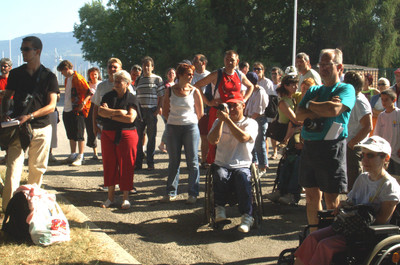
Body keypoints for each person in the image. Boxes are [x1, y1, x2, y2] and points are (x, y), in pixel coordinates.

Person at [294, 136, 400, 265]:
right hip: (348, 225)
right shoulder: (363, 178)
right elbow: (351, 201)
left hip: (365, 233)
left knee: (325, 245)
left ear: (386, 158)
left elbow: (382, 220)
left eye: (370, 156)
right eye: (363, 155)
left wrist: (356, 215)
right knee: (312, 237)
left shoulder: (389, 185)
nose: (365, 160)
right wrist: (344, 206)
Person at [296, 48, 356, 231]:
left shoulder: (346, 88)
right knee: (311, 195)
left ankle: (332, 235)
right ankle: (314, 235)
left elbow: (334, 111)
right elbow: (299, 114)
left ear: (339, 66)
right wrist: (323, 105)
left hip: (332, 148)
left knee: (332, 198)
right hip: (310, 147)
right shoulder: (314, 88)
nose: (322, 68)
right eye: (320, 64)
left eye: (326, 64)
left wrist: (310, 104)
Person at [1, 36, 59, 211]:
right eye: (22, 49)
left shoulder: (49, 76)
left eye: (26, 49)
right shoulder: (16, 73)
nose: (23, 52)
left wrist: (31, 116)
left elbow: (52, 105)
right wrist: (4, 114)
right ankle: (8, 211)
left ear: (37, 51)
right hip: (18, 127)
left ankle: (30, 210)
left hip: (41, 127)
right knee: (12, 170)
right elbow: (7, 95)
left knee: (37, 170)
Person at [208, 96, 258, 233]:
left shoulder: (251, 123)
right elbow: (212, 140)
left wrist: (227, 120)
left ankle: (247, 216)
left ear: (243, 105)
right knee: (220, 175)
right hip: (222, 162)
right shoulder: (220, 121)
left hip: (242, 164)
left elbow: (243, 138)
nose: (231, 109)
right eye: (229, 106)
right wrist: (220, 122)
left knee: (242, 177)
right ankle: (219, 209)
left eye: (235, 105)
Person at [194, 50, 254, 164]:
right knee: (214, 141)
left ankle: (233, 163)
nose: (229, 62)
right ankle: (214, 164)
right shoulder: (217, 74)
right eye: (227, 59)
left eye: (232, 60)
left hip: (235, 112)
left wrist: (244, 99)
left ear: (237, 61)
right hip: (218, 111)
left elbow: (250, 86)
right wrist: (208, 102)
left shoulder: (239, 75)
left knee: (233, 139)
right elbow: (197, 86)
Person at [161, 63, 203, 203]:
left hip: (190, 127)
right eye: (188, 74)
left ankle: (193, 193)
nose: (191, 76)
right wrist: (174, 121)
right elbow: (165, 110)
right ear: (180, 75)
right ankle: (171, 191)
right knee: (174, 161)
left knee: (193, 161)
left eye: (192, 74)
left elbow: (200, 112)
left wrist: (189, 121)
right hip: (173, 127)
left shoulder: (195, 91)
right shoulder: (170, 91)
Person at [98, 70, 140, 209]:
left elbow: (130, 118)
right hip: (108, 134)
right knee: (109, 164)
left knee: (126, 165)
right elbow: (100, 112)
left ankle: (125, 198)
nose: (115, 83)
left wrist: (109, 114)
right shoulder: (108, 96)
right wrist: (119, 113)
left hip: (127, 135)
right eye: (115, 80)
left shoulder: (131, 98)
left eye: (119, 81)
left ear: (127, 84)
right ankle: (110, 198)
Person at [57, 60, 92, 166]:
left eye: (62, 71)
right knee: (71, 133)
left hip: (77, 110)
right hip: (67, 109)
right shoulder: (68, 79)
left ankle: (80, 155)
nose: (62, 74)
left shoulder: (78, 78)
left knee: (79, 133)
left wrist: (83, 103)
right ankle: (73, 154)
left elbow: (89, 92)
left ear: (66, 69)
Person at [134, 56, 164, 171]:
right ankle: (138, 162)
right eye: (144, 65)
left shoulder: (157, 79)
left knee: (151, 138)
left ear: (152, 67)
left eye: (148, 65)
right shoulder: (138, 80)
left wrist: (158, 109)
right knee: (138, 138)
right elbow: (135, 96)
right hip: (139, 111)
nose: (146, 67)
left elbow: (161, 96)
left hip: (151, 110)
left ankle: (150, 163)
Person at [343, 71, 372, 190]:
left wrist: (352, 143)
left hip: (355, 148)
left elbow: (368, 126)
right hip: (349, 144)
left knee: (354, 182)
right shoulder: (352, 98)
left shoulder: (360, 101)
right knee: (348, 181)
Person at [244, 71, 269, 176]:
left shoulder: (260, 92)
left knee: (259, 144)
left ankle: (263, 166)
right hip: (251, 119)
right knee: (252, 143)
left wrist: (248, 120)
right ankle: (254, 164)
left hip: (259, 120)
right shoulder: (252, 91)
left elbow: (257, 111)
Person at [374, 89, 400, 175]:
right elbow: (377, 135)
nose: (383, 102)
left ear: (394, 100)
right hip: (385, 153)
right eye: (382, 99)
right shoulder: (381, 116)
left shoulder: (398, 114)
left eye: (386, 100)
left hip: (397, 153)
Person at [191, 54, 211, 169]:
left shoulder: (210, 76)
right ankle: (194, 160)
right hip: (191, 110)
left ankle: (205, 160)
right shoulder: (191, 75)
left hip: (205, 109)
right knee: (193, 137)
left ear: (203, 63)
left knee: (205, 136)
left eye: (196, 61)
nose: (193, 63)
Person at [85, 67, 101, 160]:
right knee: (91, 129)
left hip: (99, 107)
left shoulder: (101, 85)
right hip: (90, 108)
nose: (93, 76)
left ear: (98, 74)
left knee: (102, 128)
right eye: (91, 74)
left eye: (95, 74)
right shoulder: (87, 85)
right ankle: (95, 153)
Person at [158, 67, 176, 153]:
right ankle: (162, 144)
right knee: (168, 127)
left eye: (173, 73)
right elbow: (161, 97)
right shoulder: (164, 85)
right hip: (165, 108)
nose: (171, 75)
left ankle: (168, 146)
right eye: (169, 73)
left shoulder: (176, 84)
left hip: (173, 109)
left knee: (170, 127)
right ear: (167, 75)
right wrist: (160, 107)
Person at [0, 58, 12, 164]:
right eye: (1, 65)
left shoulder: (13, 81)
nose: (3, 68)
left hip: (10, 108)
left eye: (5, 66)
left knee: (9, 132)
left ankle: (9, 155)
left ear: (10, 67)